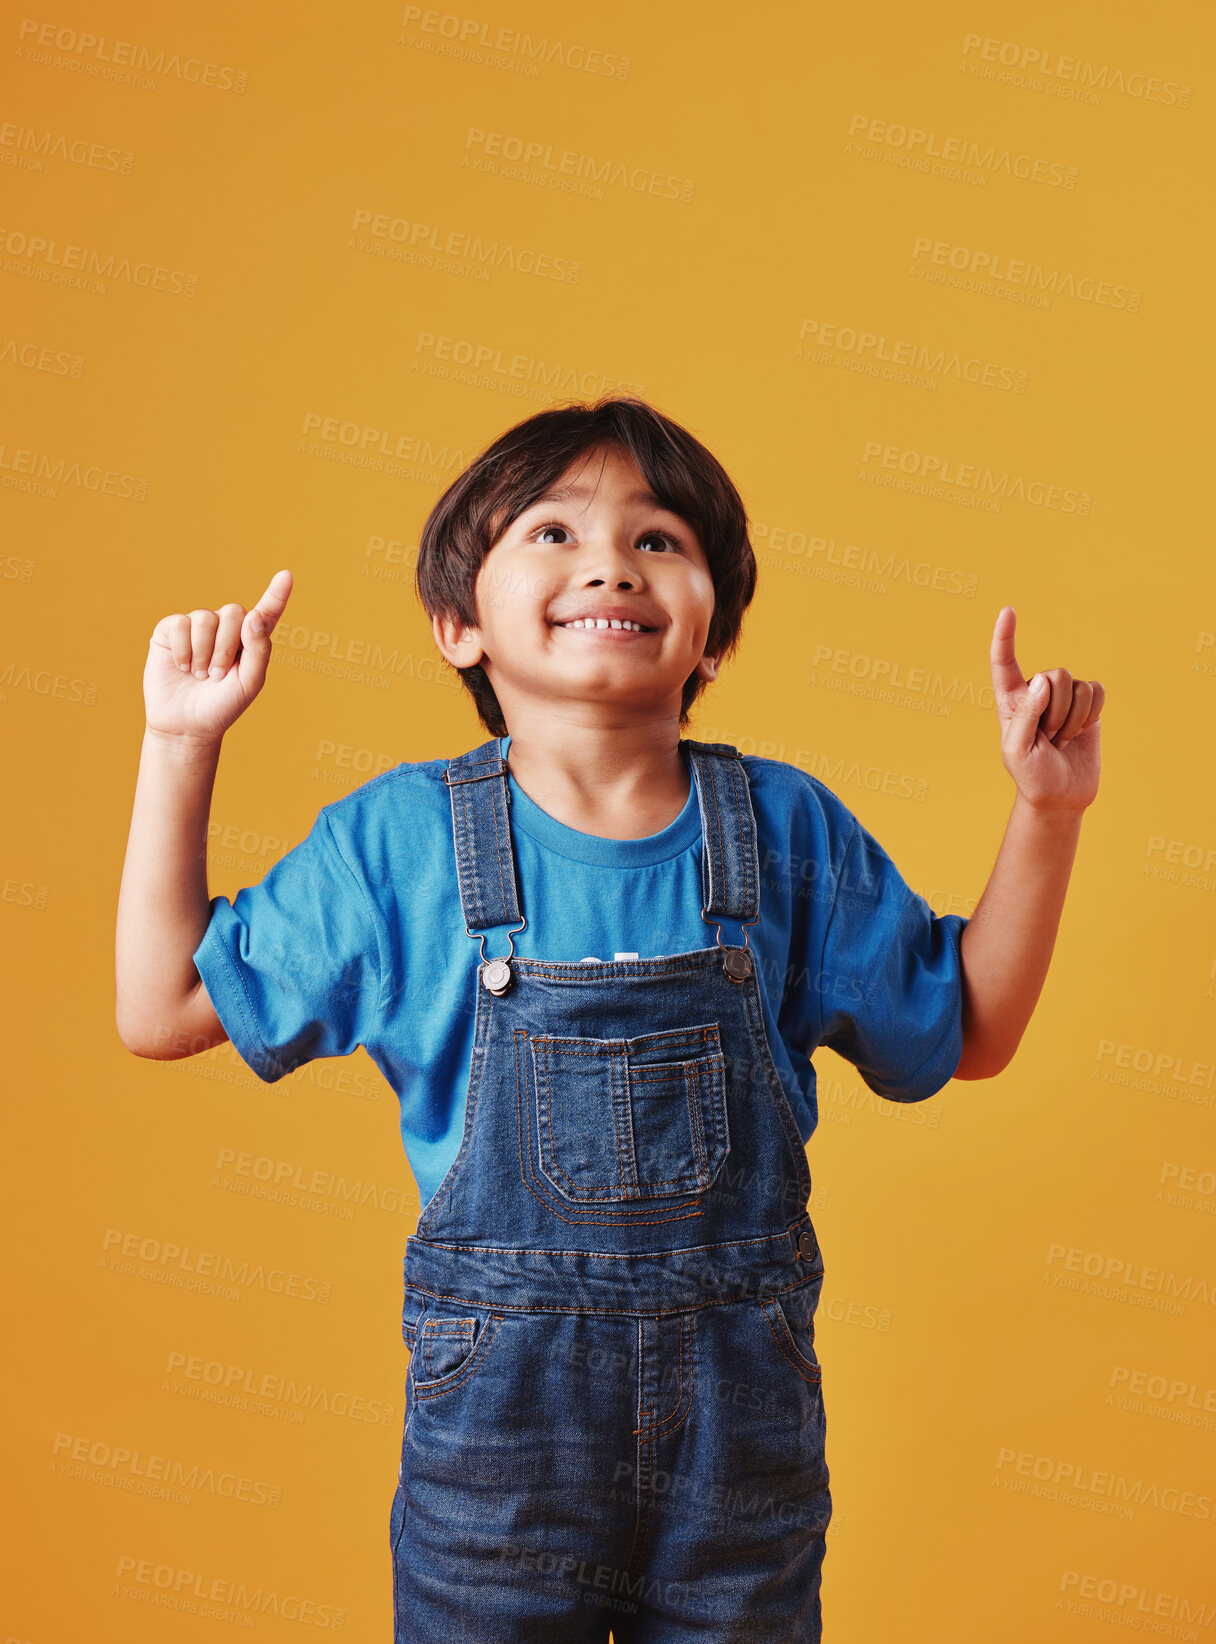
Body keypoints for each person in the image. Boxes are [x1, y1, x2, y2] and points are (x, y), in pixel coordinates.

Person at [115, 396, 1104, 1643]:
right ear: (457, 625)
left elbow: (965, 1033)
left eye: (659, 539)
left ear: (713, 634)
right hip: (498, 1465)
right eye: (549, 532)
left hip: (739, 1460)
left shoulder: (785, 831)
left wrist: (1047, 814)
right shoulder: (398, 844)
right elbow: (161, 1008)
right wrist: (178, 743)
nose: (607, 563)